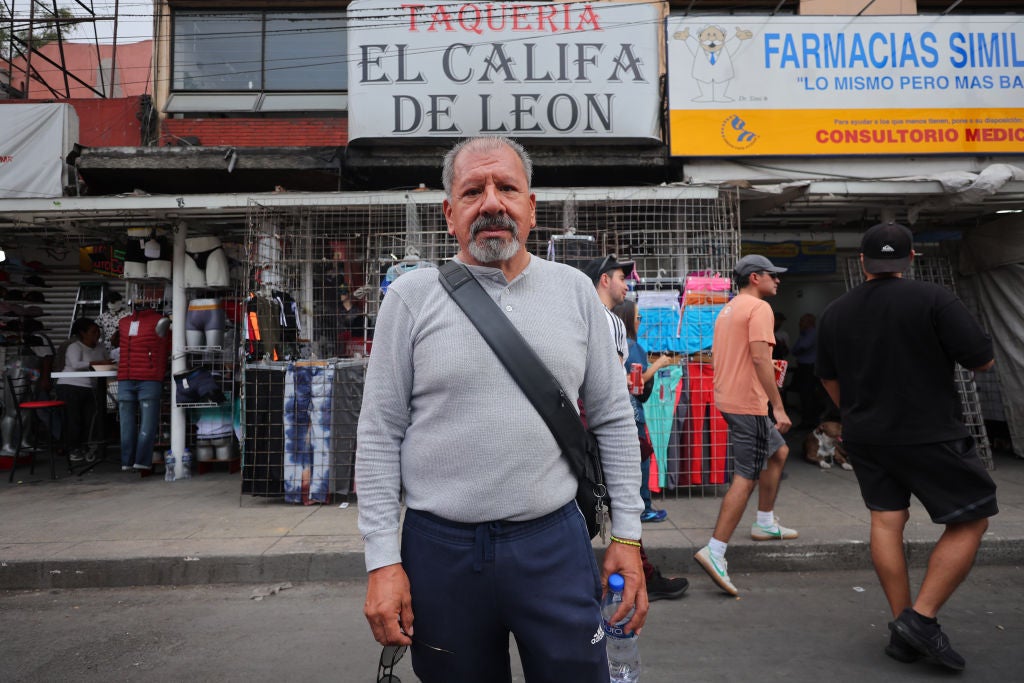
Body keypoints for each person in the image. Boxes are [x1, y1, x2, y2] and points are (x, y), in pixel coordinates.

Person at [356, 136, 647, 683]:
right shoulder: (411, 298)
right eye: (472, 191)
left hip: (553, 544)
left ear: (530, 207)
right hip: (439, 551)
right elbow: (378, 433)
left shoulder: (575, 293)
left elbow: (612, 418)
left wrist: (627, 537)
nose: (491, 203)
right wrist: (381, 560)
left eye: (507, 188)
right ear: (450, 214)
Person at [815, 222, 997, 671]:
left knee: (887, 519)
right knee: (972, 519)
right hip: (930, 433)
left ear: (863, 262)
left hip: (867, 437)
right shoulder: (935, 299)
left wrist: (856, 413)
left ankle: (903, 626)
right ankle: (921, 617)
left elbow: (827, 376)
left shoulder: (836, 312)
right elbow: (983, 360)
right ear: (911, 259)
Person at [584, 259, 687, 601]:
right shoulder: (608, 322)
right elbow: (610, 393)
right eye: (621, 278)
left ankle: (635, 575)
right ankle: (633, 576)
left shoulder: (577, 317)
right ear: (603, 280)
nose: (626, 285)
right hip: (598, 437)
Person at [693, 254, 795, 596]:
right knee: (746, 476)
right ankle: (716, 550)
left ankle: (764, 522)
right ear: (755, 277)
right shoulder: (760, 309)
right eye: (773, 275)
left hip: (731, 398)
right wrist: (778, 407)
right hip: (748, 404)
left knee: (778, 452)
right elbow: (759, 358)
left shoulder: (730, 307)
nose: (777, 281)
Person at [55, 318, 109, 463]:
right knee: (74, 419)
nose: (97, 335)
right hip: (70, 387)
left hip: (90, 388)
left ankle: (86, 447)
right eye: (93, 332)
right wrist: (97, 363)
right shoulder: (75, 347)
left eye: (98, 332)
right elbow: (75, 364)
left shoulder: (100, 347)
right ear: (82, 333)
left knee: (89, 420)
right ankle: (73, 449)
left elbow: (107, 361)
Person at [791, 313, 824, 429]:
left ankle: (810, 422)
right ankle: (807, 421)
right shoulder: (803, 334)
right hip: (804, 367)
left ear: (809, 322)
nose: (799, 323)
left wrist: (798, 350)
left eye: (802, 321)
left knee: (808, 394)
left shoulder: (812, 333)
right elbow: (793, 350)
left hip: (809, 368)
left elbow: (801, 347)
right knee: (804, 394)